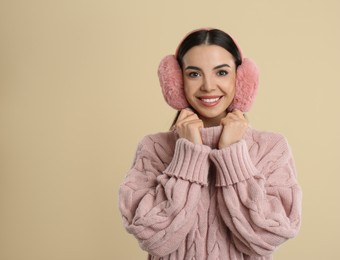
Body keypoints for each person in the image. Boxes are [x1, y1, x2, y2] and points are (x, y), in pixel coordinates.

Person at [118, 28, 302, 260]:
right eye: (194, 74)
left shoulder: (271, 148)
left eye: (222, 72)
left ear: (242, 80)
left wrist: (232, 155)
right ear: (176, 82)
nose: (208, 86)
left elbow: (266, 238)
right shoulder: (154, 148)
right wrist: (189, 155)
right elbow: (153, 238)